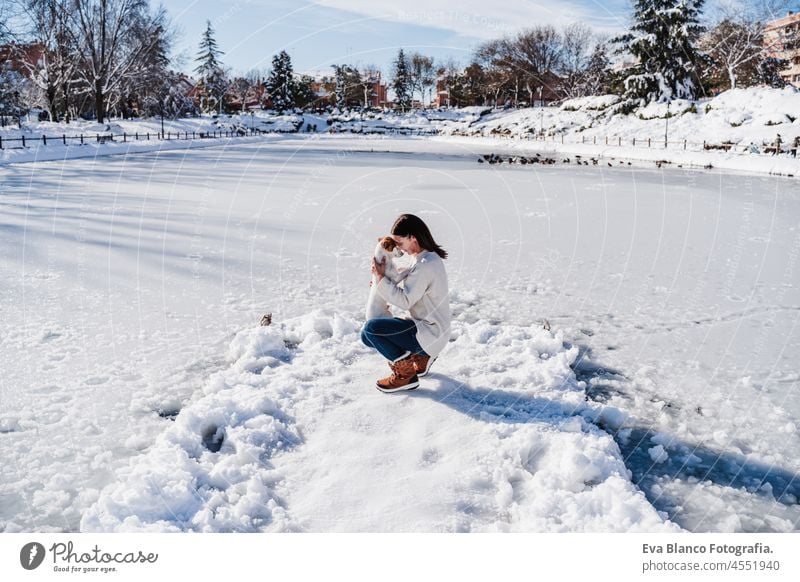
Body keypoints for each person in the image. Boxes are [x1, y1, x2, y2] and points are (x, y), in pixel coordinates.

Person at [361, 214, 451, 393]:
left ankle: (406, 375)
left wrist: (380, 279)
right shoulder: (427, 257)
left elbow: (404, 301)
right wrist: (382, 282)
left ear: (413, 238)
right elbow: (411, 278)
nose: (398, 248)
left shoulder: (425, 265)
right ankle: (421, 356)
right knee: (367, 336)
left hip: (429, 332)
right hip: (431, 329)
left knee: (371, 329)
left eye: (400, 242)